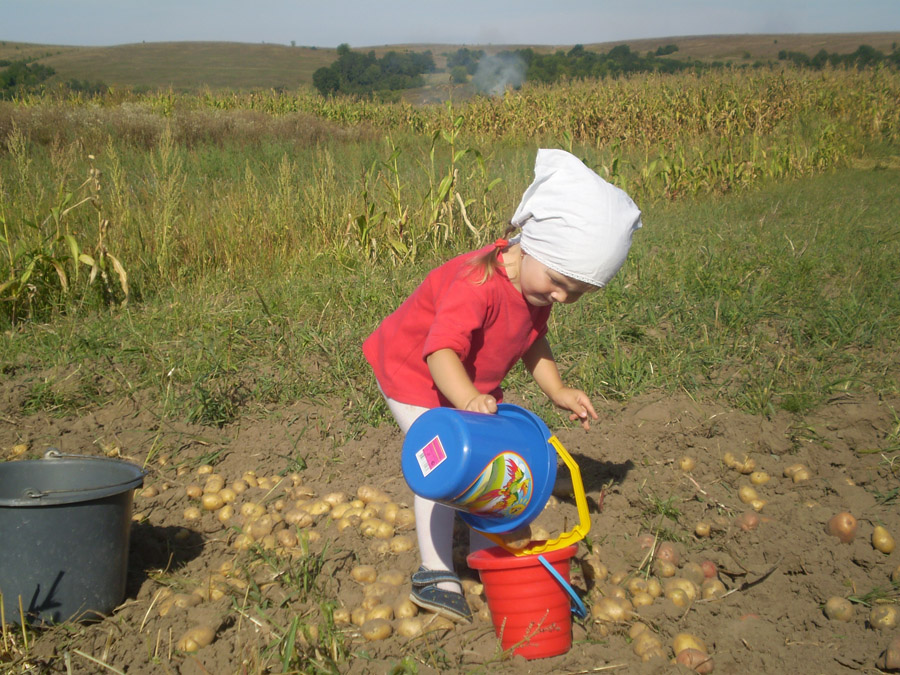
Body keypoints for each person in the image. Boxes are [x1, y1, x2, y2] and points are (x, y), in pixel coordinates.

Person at [362, 148, 643, 622]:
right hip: (415, 374)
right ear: (532, 244)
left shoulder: (536, 287)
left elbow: (533, 341)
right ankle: (434, 572)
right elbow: (441, 352)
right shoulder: (477, 282)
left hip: (467, 385)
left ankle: (488, 554)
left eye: (575, 293)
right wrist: (469, 399)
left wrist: (557, 391)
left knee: (491, 468)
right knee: (446, 470)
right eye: (558, 283)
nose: (561, 297)